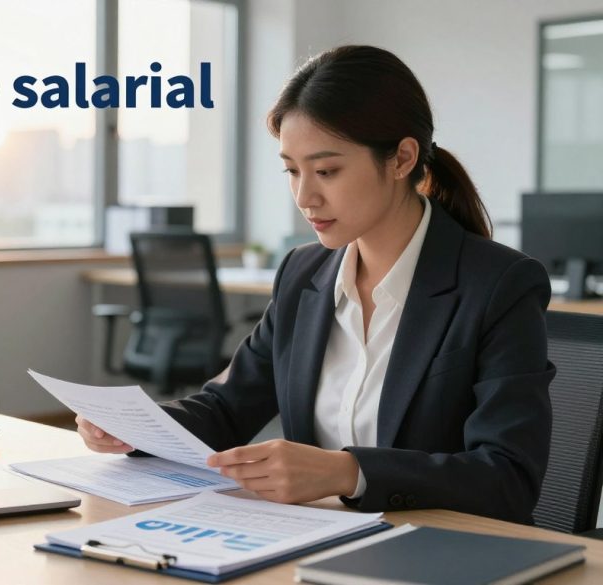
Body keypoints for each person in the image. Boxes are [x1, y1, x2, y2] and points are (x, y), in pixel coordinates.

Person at [77, 45, 555, 524]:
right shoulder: (303, 274)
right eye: (292, 170)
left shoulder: (498, 285)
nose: (304, 196)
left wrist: (348, 472)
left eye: (326, 171)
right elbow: (226, 408)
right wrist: (140, 428)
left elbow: (508, 477)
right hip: (314, 539)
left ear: (402, 158)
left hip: (443, 554)